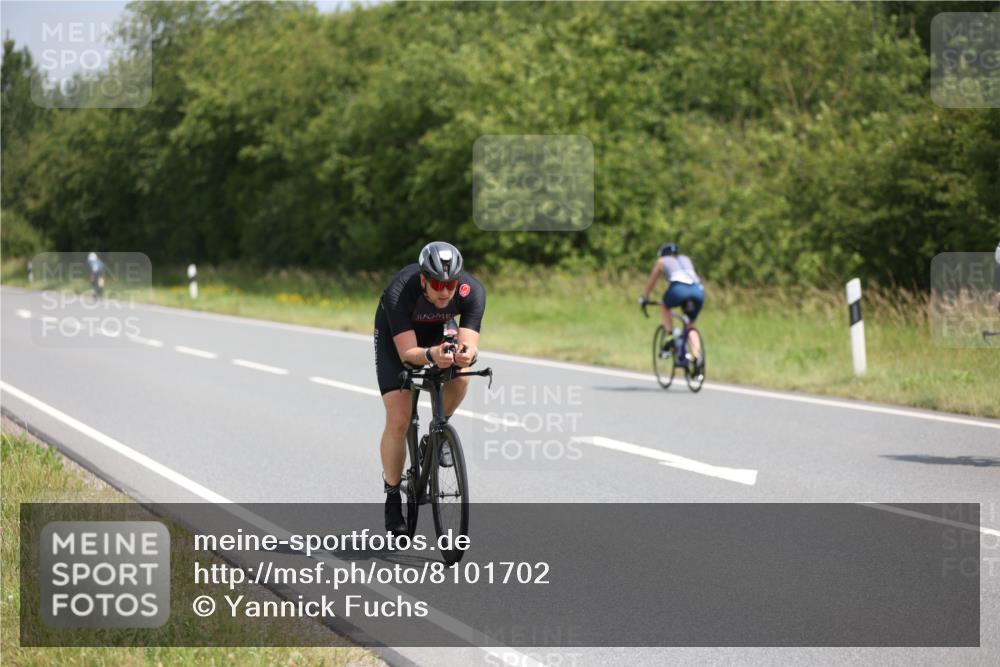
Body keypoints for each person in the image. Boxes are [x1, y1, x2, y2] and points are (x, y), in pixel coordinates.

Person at [373, 241, 485, 534]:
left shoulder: (471, 292)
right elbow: (408, 354)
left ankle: (437, 432)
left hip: (437, 331)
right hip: (397, 338)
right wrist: (431, 355)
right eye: (436, 284)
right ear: (423, 279)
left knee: (461, 373)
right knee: (398, 419)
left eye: (450, 284)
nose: (444, 291)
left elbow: (470, 343)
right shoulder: (400, 290)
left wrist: (465, 354)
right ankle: (393, 493)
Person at [639, 243, 704, 369]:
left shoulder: (662, 260)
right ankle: (697, 357)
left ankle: (670, 337)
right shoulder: (686, 258)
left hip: (679, 289)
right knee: (690, 327)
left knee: (665, 306)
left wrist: (645, 297)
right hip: (698, 290)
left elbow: (652, 281)